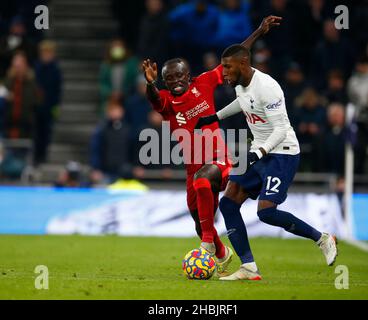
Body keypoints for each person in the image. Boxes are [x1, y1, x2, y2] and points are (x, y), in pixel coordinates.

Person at [142, 16, 282, 275]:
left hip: (220, 159)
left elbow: (234, 58)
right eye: (168, 79)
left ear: (188, 74)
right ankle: (219, 251)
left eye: (178, 75)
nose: (174, 81)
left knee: (204, 181)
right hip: (192, 168)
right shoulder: (165, 102)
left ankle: (207, 243)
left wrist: (258, 32)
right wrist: (150, 83)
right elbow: (153, 98)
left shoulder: (204, 82)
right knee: (199, 221)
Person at [195, 44, 338, 280]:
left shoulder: (268, 87)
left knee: (267, 213)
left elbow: (281, 130)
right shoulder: (240, 84)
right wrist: (214, 117)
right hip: (259, 151)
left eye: (228, 68)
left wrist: (258, 153)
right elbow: (243, 103)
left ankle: (322, 239)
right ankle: (248, 267)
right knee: (228, 204)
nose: (225, 74)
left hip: (282, 153)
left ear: (243, 64)